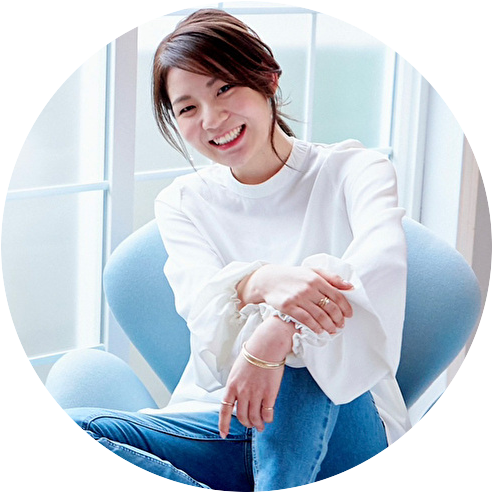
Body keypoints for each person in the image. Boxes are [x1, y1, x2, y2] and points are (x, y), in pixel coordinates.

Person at [68, 9, 410, 490]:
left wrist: (277, 329)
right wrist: (261, 280)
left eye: (224, 88)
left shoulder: (356, 171)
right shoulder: (184, 203)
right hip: (223, 424)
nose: (212, 119)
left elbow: (377, 274)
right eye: (187, 108)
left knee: (304, 352)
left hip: (345, 429)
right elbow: (207, 322)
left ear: (268, 78)